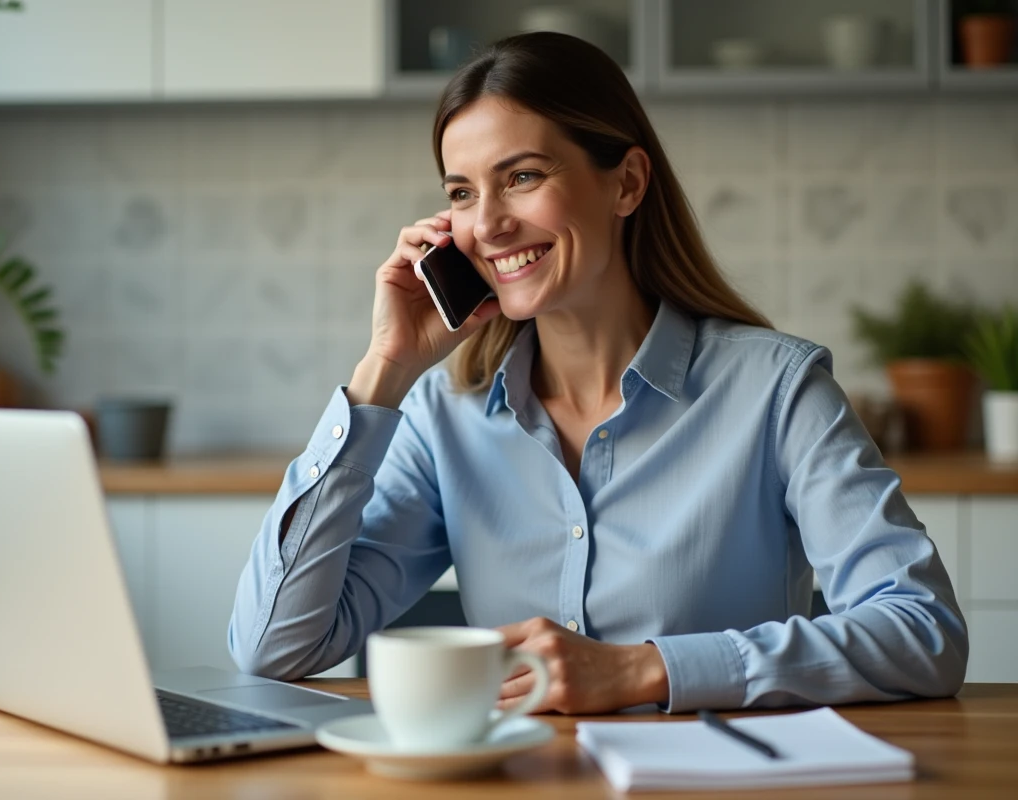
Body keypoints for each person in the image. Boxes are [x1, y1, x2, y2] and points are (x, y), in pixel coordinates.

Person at [228, 32, 967, 714]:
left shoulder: (777, 392)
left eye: (521, 176)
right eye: (461, 192)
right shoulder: (441, 417)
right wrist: (381, 374)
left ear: (627, 183)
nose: (485, 225)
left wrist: (646, 670)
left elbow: (923, 631)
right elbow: (273, 649)